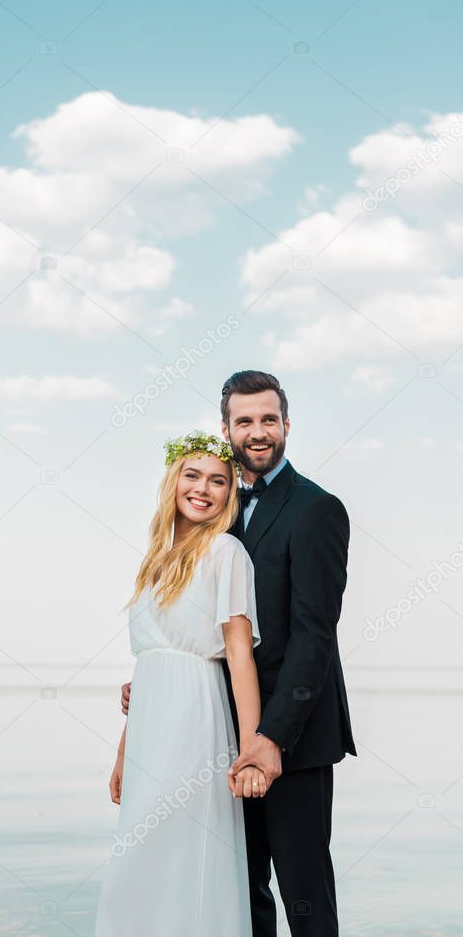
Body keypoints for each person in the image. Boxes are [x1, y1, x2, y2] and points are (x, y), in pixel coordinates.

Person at [122, 370, 356, 937]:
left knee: (303, 891)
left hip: (290, 736)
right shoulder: (214, 512)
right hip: (215, 733)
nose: (257, 431)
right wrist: (163, 679)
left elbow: (314, 635)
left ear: (286, 425)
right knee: (238, 891)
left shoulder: (316, 509)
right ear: (225, 428)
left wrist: (270, 738)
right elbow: (206, 623)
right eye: (244, 420)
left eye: (268, 419)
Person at [94, 431, 262, 937]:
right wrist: (124, 752)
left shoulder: (227, 552)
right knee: (138, 854)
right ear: (173, 482)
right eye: (193, 475)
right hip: (150, 727)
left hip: (195, 718)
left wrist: (251, 746)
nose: (204, 489)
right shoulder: (154, 564)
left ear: (229, 493)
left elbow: (238, 655)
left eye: (218, 480)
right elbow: (149, 662)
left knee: (182, 847)